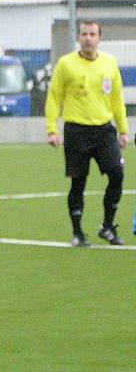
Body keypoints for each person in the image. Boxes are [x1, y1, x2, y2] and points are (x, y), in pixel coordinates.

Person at [45, 20, 129, 247]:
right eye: (84, 34)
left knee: (117, 174)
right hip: (76, 131)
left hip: (104, 130)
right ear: (79, 38)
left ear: (99, 38)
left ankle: (107, 227)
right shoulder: (66, 64)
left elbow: (117, 98)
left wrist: (123, 129)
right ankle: (78, 233)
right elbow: (54, 97)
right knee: (78, 183)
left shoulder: (109, 63)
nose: (88, 38)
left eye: (92, 34)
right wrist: (52, 129)